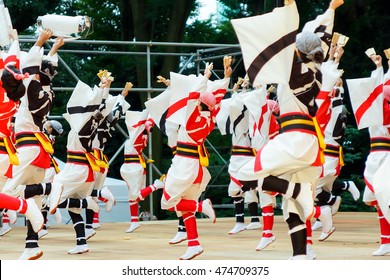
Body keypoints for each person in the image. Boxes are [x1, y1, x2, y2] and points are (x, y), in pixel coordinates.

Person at [234, 0, 345, 259]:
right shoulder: (317, 72)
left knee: (244, 174)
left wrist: (288, 14)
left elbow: (302, 40)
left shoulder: (295, 70)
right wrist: (331, 10)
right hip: (309, 145)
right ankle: (300, 256)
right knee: (292, 207)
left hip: (293, 140)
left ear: (296, 52)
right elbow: (319, 37)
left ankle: (297, 191)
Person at [1, 29, 65, 260]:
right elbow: (45, 72)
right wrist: (53, 49)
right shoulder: (44, 91)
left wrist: (39, 43)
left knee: (7, 193)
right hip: (39, 149)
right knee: (32, 200)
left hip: (28, 148)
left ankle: (51, 188)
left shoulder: (28, 88)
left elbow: (30, 68)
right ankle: (31, 246)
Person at [160, 56, 232, 260]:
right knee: (185, 207)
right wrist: (225, 78)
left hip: (185, 164)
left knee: (168, 202)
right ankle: (194, 244)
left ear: (200, 104)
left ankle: (202, 206)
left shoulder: (192, 119)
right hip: (196, 166)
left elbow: (194, 95)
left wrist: (205, 77)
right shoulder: (211, 117)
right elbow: (215, 98)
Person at [48, 70, 115, 255]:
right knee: (74, 208)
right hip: (82, 169)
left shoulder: (83, 126)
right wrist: (104, 88)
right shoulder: (87, 124)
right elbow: (100, 108)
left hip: (76, 169)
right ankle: (81, 242)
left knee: (52, 193)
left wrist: (103, 90)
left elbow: (97, 109)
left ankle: (96, 197)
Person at [347, 53, 390, 256]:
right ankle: (386, 241)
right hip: (375, 155)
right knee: (376, 198)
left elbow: (382, 88)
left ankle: (386, 240)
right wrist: (380, 67)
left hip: (386, 156)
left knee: (384, 196)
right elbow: (378, 87)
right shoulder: (376, 108)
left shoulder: (384, 109)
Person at [84, 82, 130, 237]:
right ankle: (90, 224)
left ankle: (103, 194)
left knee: (86, 193)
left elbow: (100, 103)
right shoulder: (109, 121)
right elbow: (115, 111)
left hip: (91, 158)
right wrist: (122, 96)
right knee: (88, 194)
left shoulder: (93, 119)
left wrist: (105, 87)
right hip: (100, 159)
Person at [120, 107, 164, 233]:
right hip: (132, 166)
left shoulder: (137, 135)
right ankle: (134, 221)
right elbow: (147, 120)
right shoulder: (140, 134)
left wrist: (149, 107)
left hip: (133, 166)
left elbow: (145, 118)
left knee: (134, 195)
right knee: (132, 196)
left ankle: (156, 185)